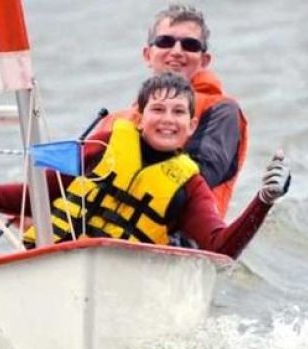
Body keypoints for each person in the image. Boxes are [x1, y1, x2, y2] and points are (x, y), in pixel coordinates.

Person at [0, 73, 288, 259]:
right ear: (139, 118)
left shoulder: (189, 185)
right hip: (49, 260)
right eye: (158, 110)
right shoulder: (104, 144)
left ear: (191, 125)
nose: (167, 119)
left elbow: (221, 247)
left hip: (123, 280)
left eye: (178, 112)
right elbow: (43, 192)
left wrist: (264, 200)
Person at [97, 4, 247, 218]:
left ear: (204, 60)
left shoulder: (222, 111)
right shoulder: (114, 120)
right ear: (147, 54)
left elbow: (199, 179)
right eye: (165, 42)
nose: (176, 52)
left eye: (190, 45)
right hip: (96, 227)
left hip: (178, 234)